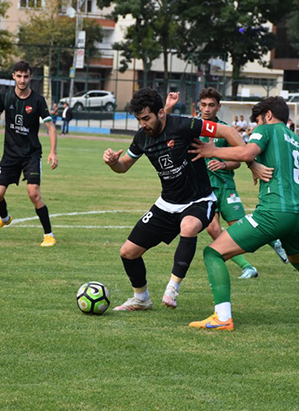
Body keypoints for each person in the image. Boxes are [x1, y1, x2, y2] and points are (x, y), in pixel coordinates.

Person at [188, 96, 299, 330]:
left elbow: (247, 153)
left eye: (258, 120)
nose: (257, 125)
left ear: (268, 115)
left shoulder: (267, 129)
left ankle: (223, 318)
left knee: (213, 253)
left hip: (273, 213)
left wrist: (212, 150)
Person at [102, 87, 248, 311]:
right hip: (167, 203)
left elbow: (228, 131)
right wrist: (113, 162)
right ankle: (141, 298)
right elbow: (123, 167)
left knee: (188, 226)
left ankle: (173, 288)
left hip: (199, 200)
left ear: (161, 112)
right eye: (139, 119)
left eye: (146, 118)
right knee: (128, 252)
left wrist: (248, 160)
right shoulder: (142, 138)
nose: (143, 124)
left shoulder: (184, 125)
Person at [164, 89, 288, 281]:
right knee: (212, 229)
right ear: (199, 105)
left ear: (218, 107)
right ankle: (247, 267)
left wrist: (223, 164)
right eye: (203, 105)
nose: (207, 109)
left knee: (238, 226)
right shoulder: (191, 126)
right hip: (202, 190)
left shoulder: (225, 130)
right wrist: (168, 108)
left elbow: (238, 160)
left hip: (225, 186)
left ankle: (273, 241)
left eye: (211, 105)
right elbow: (166, 126)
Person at [0, 61, 58, 247]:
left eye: (26, 76)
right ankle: (4, 218)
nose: (22, 80)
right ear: (13, 76)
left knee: (33, 194)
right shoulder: (5, 96)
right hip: (10, 155)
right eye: (19, 76)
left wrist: (53, 152)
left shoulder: (38, 100)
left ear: (30, 77)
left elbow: (50, 127)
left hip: (31, 155)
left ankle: (49, 235)